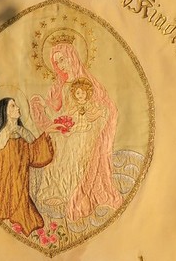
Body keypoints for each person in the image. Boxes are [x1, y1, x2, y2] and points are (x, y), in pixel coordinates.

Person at [29, 40, 122, 224]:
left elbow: (104, 108)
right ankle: (56, 192)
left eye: (62, 59)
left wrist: (91, 118)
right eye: (57, 62)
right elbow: (61, 112)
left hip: (87, 129)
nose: (60, 65)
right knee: (54, 140)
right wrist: (42, 105)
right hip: (71, 125)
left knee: (73, 144)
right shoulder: (62, 85)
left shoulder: (86, 82)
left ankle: (72, 193)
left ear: (71, 57)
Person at [0, 97, 54, 236]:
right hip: (5, 182)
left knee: (31, 219)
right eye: (13, 106)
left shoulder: (23, 132)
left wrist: (47, 132)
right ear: (6, 112)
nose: (18, 108)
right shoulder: (1, 136)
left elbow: (35, 153)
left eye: (16, 105)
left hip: (21, 179)